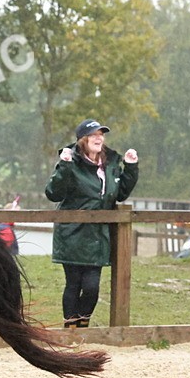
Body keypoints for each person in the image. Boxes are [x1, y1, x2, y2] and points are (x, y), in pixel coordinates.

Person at [44, 118, 139, 328]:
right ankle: (70, 329)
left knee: (91, 287)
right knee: (74, 283)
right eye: (94, 134)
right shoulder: (70, 161)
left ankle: (83, 324)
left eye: (101, 134)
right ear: (83, 140)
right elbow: (53, 193)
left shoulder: (111, 163)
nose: (99, 138)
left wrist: (131, 168)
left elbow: (120, 194)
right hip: (72, 235)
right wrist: (65, 166)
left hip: (98, 237)